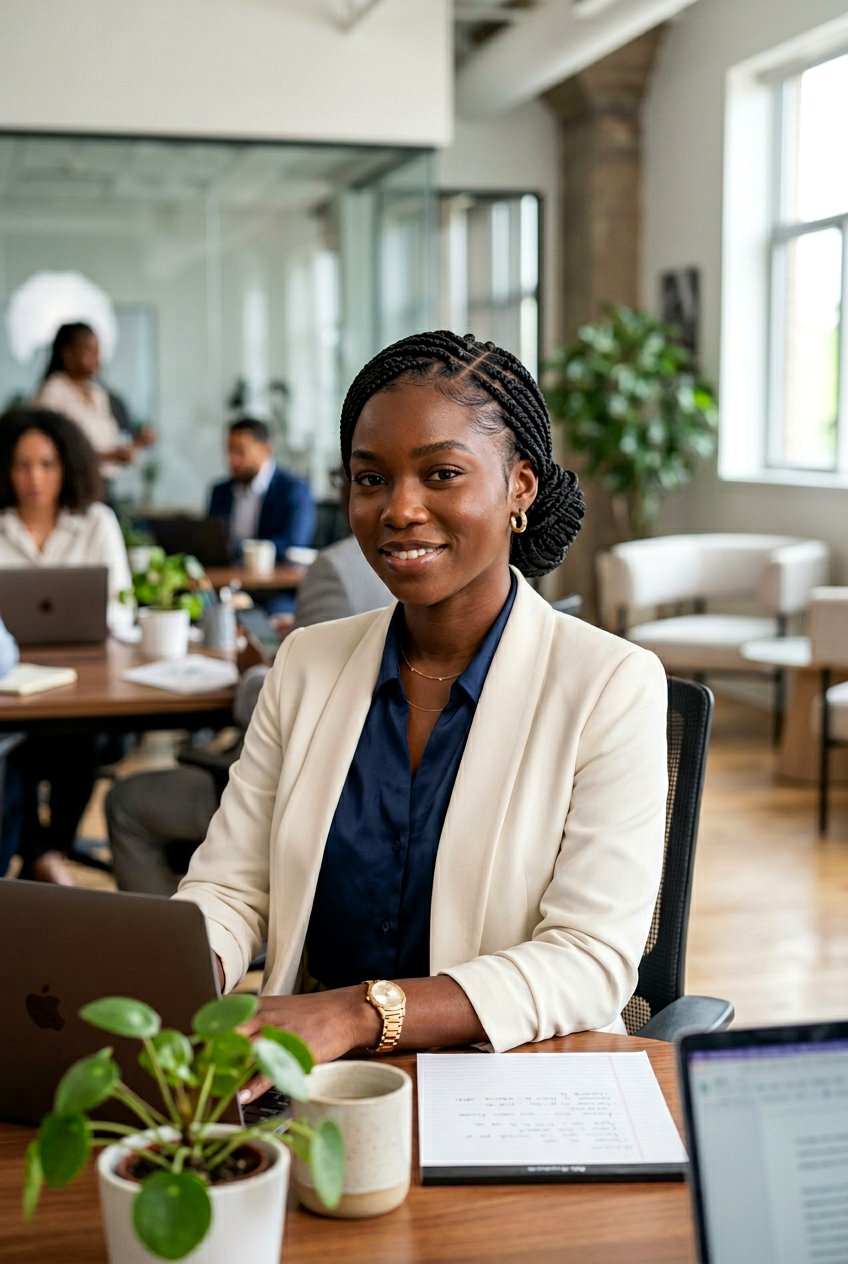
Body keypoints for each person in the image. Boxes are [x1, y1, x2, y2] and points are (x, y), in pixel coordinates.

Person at [175, 330, 667, 1088]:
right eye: (370, 480)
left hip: (510, 1080)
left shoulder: (610, 684)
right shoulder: (307, 664)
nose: (399, 509)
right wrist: (182, 977)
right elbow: (232, 887)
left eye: (441, 473)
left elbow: (589, 960)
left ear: (520, 489)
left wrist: (358, 1013)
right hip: (312, 1089)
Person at [105, 528, 392, 896]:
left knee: (126, 803)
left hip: (300, 793)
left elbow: (307, 706)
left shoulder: (336, 568)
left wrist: (257, 671)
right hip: (369, 799)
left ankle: (167, 946)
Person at [0, 406, 133, 884]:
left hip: (85, 680)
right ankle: (44, 858)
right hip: (9, 686)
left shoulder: (96, 522)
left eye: (47, 464)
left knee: (78, 742)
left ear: (68, 467)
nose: (35, 478)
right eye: (22, 464)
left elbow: (120, 611)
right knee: (8, 755)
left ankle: (45, 852)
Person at [33, 323, 155, 482]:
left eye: (98, 352)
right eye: (89, 351)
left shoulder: (98, 394)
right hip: (72, 486)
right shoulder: (53, 392)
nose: (97, 359)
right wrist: (109, 456)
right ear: (67, 354)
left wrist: (136, 443)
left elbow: (108, 438)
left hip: (102, 484)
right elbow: (50, 450)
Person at [208, 418, 315, 567]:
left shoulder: (293, 490)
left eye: (240, 451)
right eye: (229, 451)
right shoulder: (220, 492)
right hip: (225, 577)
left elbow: (294, 543)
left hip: (274, 581)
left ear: (265, 450)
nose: (232, 459)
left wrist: (242, 549)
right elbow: (211, 542)